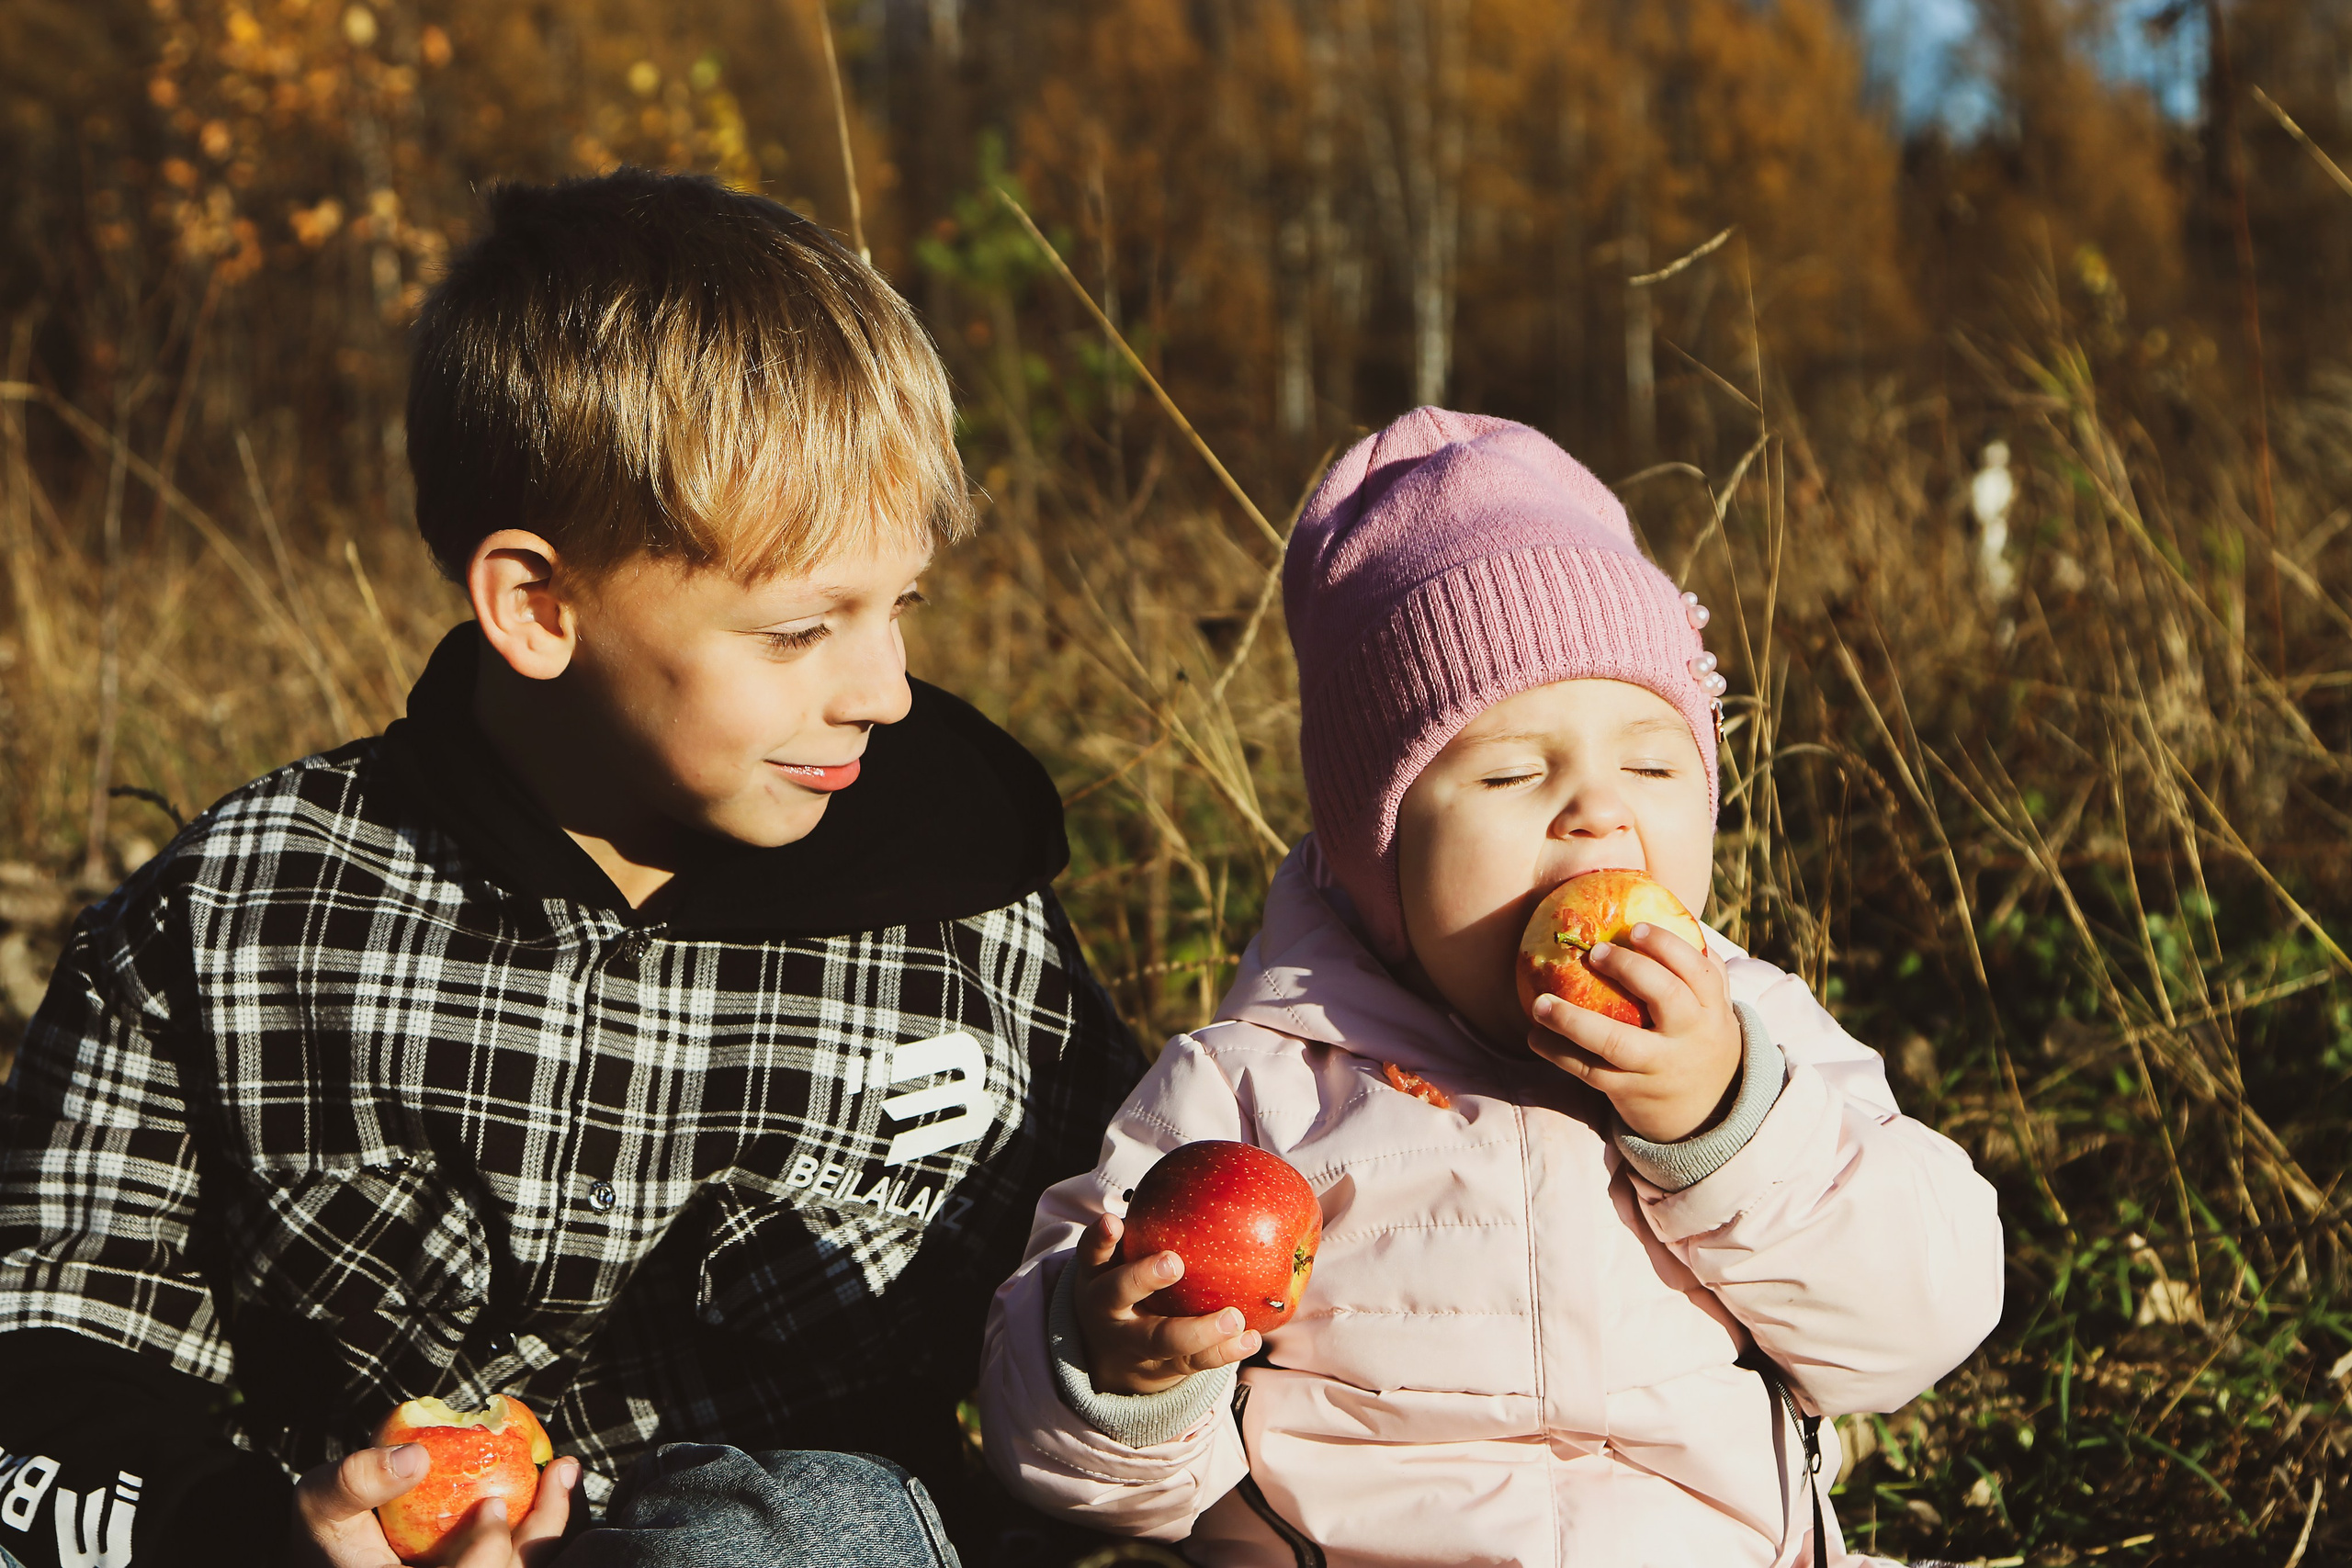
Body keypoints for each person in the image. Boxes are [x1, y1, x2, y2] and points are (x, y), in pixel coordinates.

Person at [0, 170, 1141, 1568]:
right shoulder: (240, 918)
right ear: (538, 606)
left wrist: (1132, 1338)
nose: (888, 689)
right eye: (799, 630)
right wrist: (241, 1535)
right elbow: (50, 1332)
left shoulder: (975, 935)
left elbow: (1100, 1294)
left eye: (897, 605)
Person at [978, 408, 2005, 1567]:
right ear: (1380, 863)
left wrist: (1726, 1124)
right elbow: (1066, 1466)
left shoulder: (1754, 1041)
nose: (1597, 810)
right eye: (1512, 771)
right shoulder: (1252, 1088)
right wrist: (1126, 1373)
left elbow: (1916, 1326)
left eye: (1654, 762)